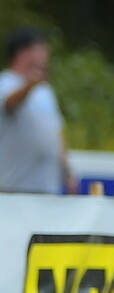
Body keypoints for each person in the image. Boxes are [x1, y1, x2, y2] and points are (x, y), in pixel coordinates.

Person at [0, 27, 72, 195]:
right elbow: (10, 104)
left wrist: (67, 171)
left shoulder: (45, 90)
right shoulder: (6, 82)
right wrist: (31, 85)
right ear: (23, 53)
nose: (47, 52)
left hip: (46, 187)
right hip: (14, 187)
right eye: (40, 48)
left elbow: (56, 132)